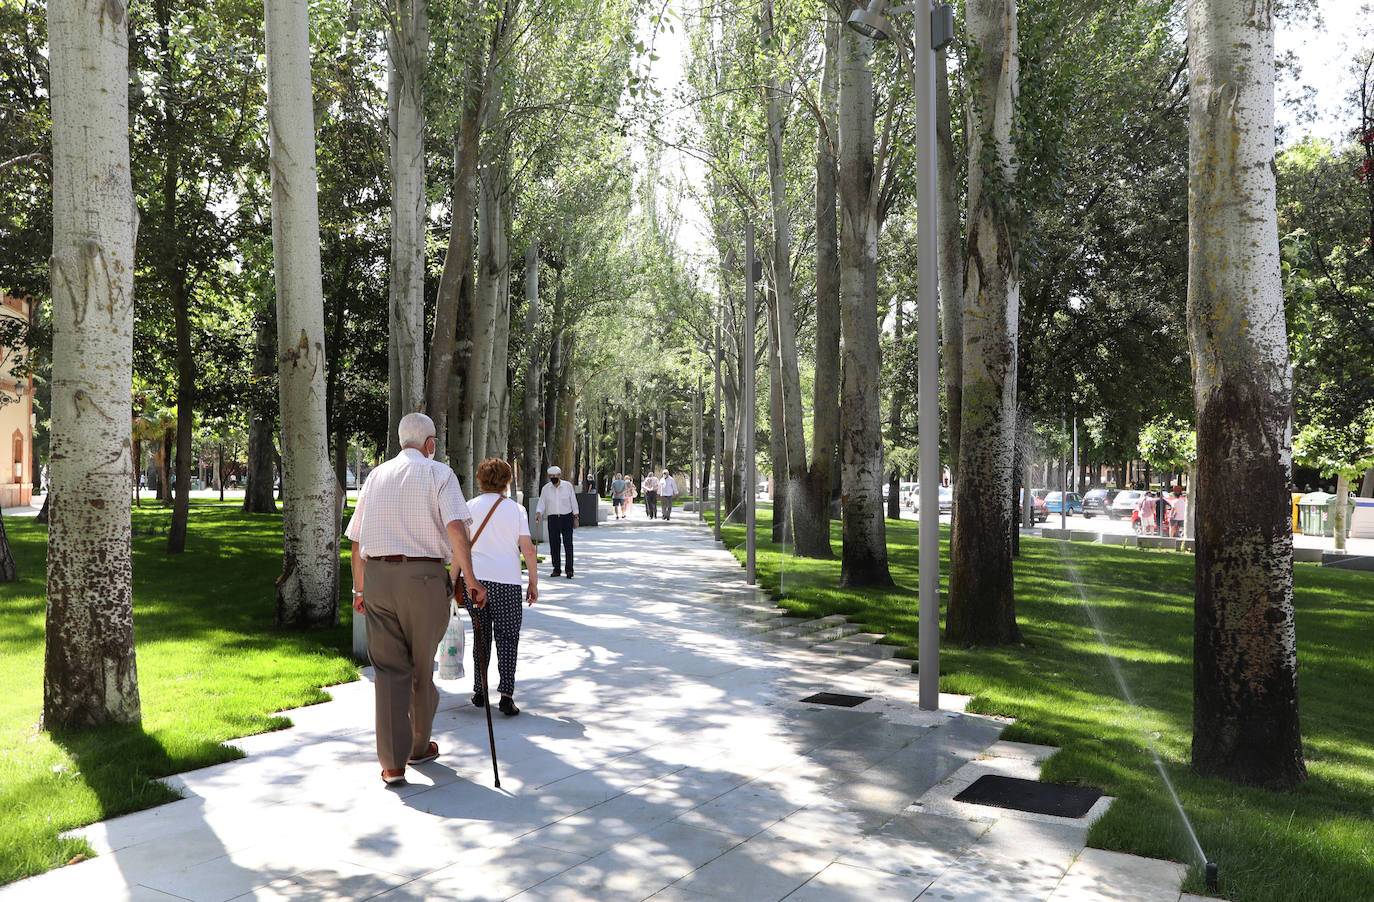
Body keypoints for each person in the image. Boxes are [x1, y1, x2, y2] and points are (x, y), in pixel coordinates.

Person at [346, 412, 487, 786]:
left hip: (376, 577)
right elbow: (456, 528)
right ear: (429, 444)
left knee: (389, 671)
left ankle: (392, 764)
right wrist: (470, 579)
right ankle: (419, 746)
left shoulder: (375, 476)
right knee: (420, 667)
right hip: (423, 578)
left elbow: (357, 541)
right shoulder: (439, 474)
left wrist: (359, 589)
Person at [463, 458, 538, 716]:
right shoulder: (516, 510)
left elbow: (459, 548)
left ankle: (479, 690)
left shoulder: (469, 507)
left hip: (474, 581)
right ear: (506, 482)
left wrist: (454, 579)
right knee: (508, 638)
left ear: (480, 480)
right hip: (507, 582)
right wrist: (533, 582)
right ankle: (506, 695)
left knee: (480, 638)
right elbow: (527, 549)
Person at [536, 465, 578, 578]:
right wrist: (538, 512)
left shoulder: (568, 486)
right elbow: (542, 502)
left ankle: (569, 570)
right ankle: (556, 569)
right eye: (551, 476)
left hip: (567, 517)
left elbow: (573, 501)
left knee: (568, 544)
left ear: (560, 475)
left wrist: (576, 517)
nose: (553, 478)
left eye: (555, 476)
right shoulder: (546, 488)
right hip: (553, 518)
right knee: (554, 544)